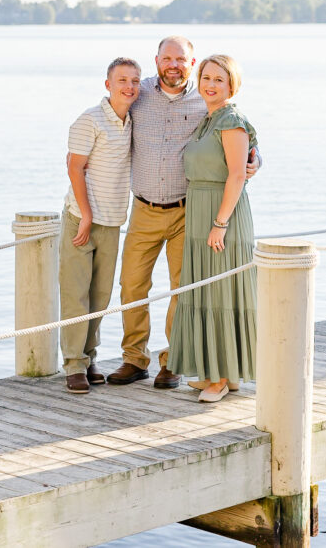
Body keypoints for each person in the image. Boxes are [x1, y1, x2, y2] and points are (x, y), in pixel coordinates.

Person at [107, 37, 260, 389]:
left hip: (186, 211)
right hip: (144, 208)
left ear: (192, 63)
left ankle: (173, 360)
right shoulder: (139, 94)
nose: (173, 65)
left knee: (184, 289)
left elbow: (241, 139)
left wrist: (256, 160)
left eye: (181, 59)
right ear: (157, 60)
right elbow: (107, 113)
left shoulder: (206, 98)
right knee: (131, 284)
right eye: (167, 58)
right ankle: (134, 359)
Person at [167, 54, 257, 403]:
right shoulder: (208, 119)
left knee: (221, 293)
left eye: (219, 79)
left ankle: (220, 379)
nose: (210, 84)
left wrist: (220, 223)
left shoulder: (231, 120)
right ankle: (220, 373)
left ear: (232, 85)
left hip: (222, 213)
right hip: (199, 211)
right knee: (206, 293)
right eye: (206, 77)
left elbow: (237, 175)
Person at [59, 57, 141, 394]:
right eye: (122, 80)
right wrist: (86, 215)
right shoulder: (89, 120)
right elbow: (74, 167)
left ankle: (89, 357)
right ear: (108, 84)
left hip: (113, 220)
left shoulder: (134, 121)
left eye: (134, 81)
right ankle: (73, 364)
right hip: (81, 219)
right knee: (75, 294)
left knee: (100, 297)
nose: (129, 87)